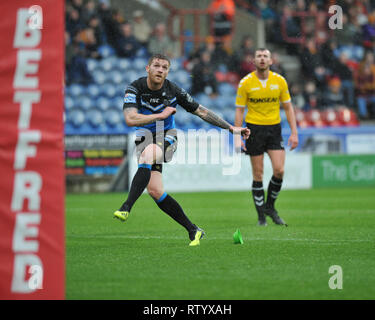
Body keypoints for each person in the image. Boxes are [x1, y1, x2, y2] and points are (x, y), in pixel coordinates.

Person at [113, 53, 250, 246]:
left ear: (168, 71)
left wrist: (231, 128)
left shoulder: (173, 90)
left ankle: (126, 206)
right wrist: (160, 114)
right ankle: (194, 230)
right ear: (148, 68)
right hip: (144, 137)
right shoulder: (135, 88)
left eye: (164, 67)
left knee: (147, 155)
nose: (160, 70)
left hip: (166, 135)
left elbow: (201, 111)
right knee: (155, 191)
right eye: (156, 66)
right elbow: (130, 119)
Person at [234, 48, 298, 226]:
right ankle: (261, 217)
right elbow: (239, 110)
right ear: (253, 61)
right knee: (258, 174)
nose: (262, 59)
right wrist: (237, 136)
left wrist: (294, 132)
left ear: (271, 60)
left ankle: (269, 206)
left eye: (265, 56)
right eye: (259, 56)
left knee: (279, 170)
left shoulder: (280, 81)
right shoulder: (245, 83)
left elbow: (288, 107)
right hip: (254, 129)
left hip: (274, 129)